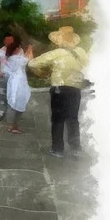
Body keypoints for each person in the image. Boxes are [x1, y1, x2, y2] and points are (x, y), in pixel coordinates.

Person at [28, 26, 89, 158]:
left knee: (58, 119)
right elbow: (87, 66)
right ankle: (75, 148)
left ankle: (58, 149)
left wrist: (44, 74)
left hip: (59, 89)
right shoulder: (81, 52)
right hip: (75, 89)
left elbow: (32, 64)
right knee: (73, 118)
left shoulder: (56, 53)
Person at [4, 38, 34, 134]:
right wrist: (30, 49)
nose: (21, 49)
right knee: (18, 103)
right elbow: (31, 60)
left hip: (16, 82)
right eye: (20, 48)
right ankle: (13, 125)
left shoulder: (12, 58)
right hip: (18, 84)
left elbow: (25, 58)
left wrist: (27, 51)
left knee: (17, 103)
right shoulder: (15, 59)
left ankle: (14, 125)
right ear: (16, 49)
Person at [0, 33, 22, 122]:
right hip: (4, 77)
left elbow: (23, 62)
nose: (9, 42)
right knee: (2, 95)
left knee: (15, 96)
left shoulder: (19, 50)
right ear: (4, 41)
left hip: (15, 78)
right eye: (7, 40)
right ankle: (1, 113)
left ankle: (14, 116)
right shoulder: (1, 51)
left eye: (11, 40)